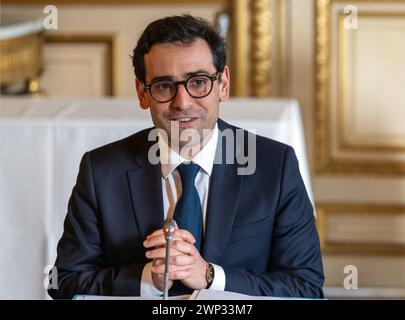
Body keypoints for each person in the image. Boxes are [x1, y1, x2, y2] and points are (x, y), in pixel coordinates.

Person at [48, 15, 324, 299]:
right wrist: (148, 278)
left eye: (198, 82)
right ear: (143, 94)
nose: (183, 102)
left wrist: (209, 275)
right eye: (164, 86)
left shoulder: (274, 166)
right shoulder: (101, 171)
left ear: (223, 84)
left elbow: (306, 288)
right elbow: (64, 283)